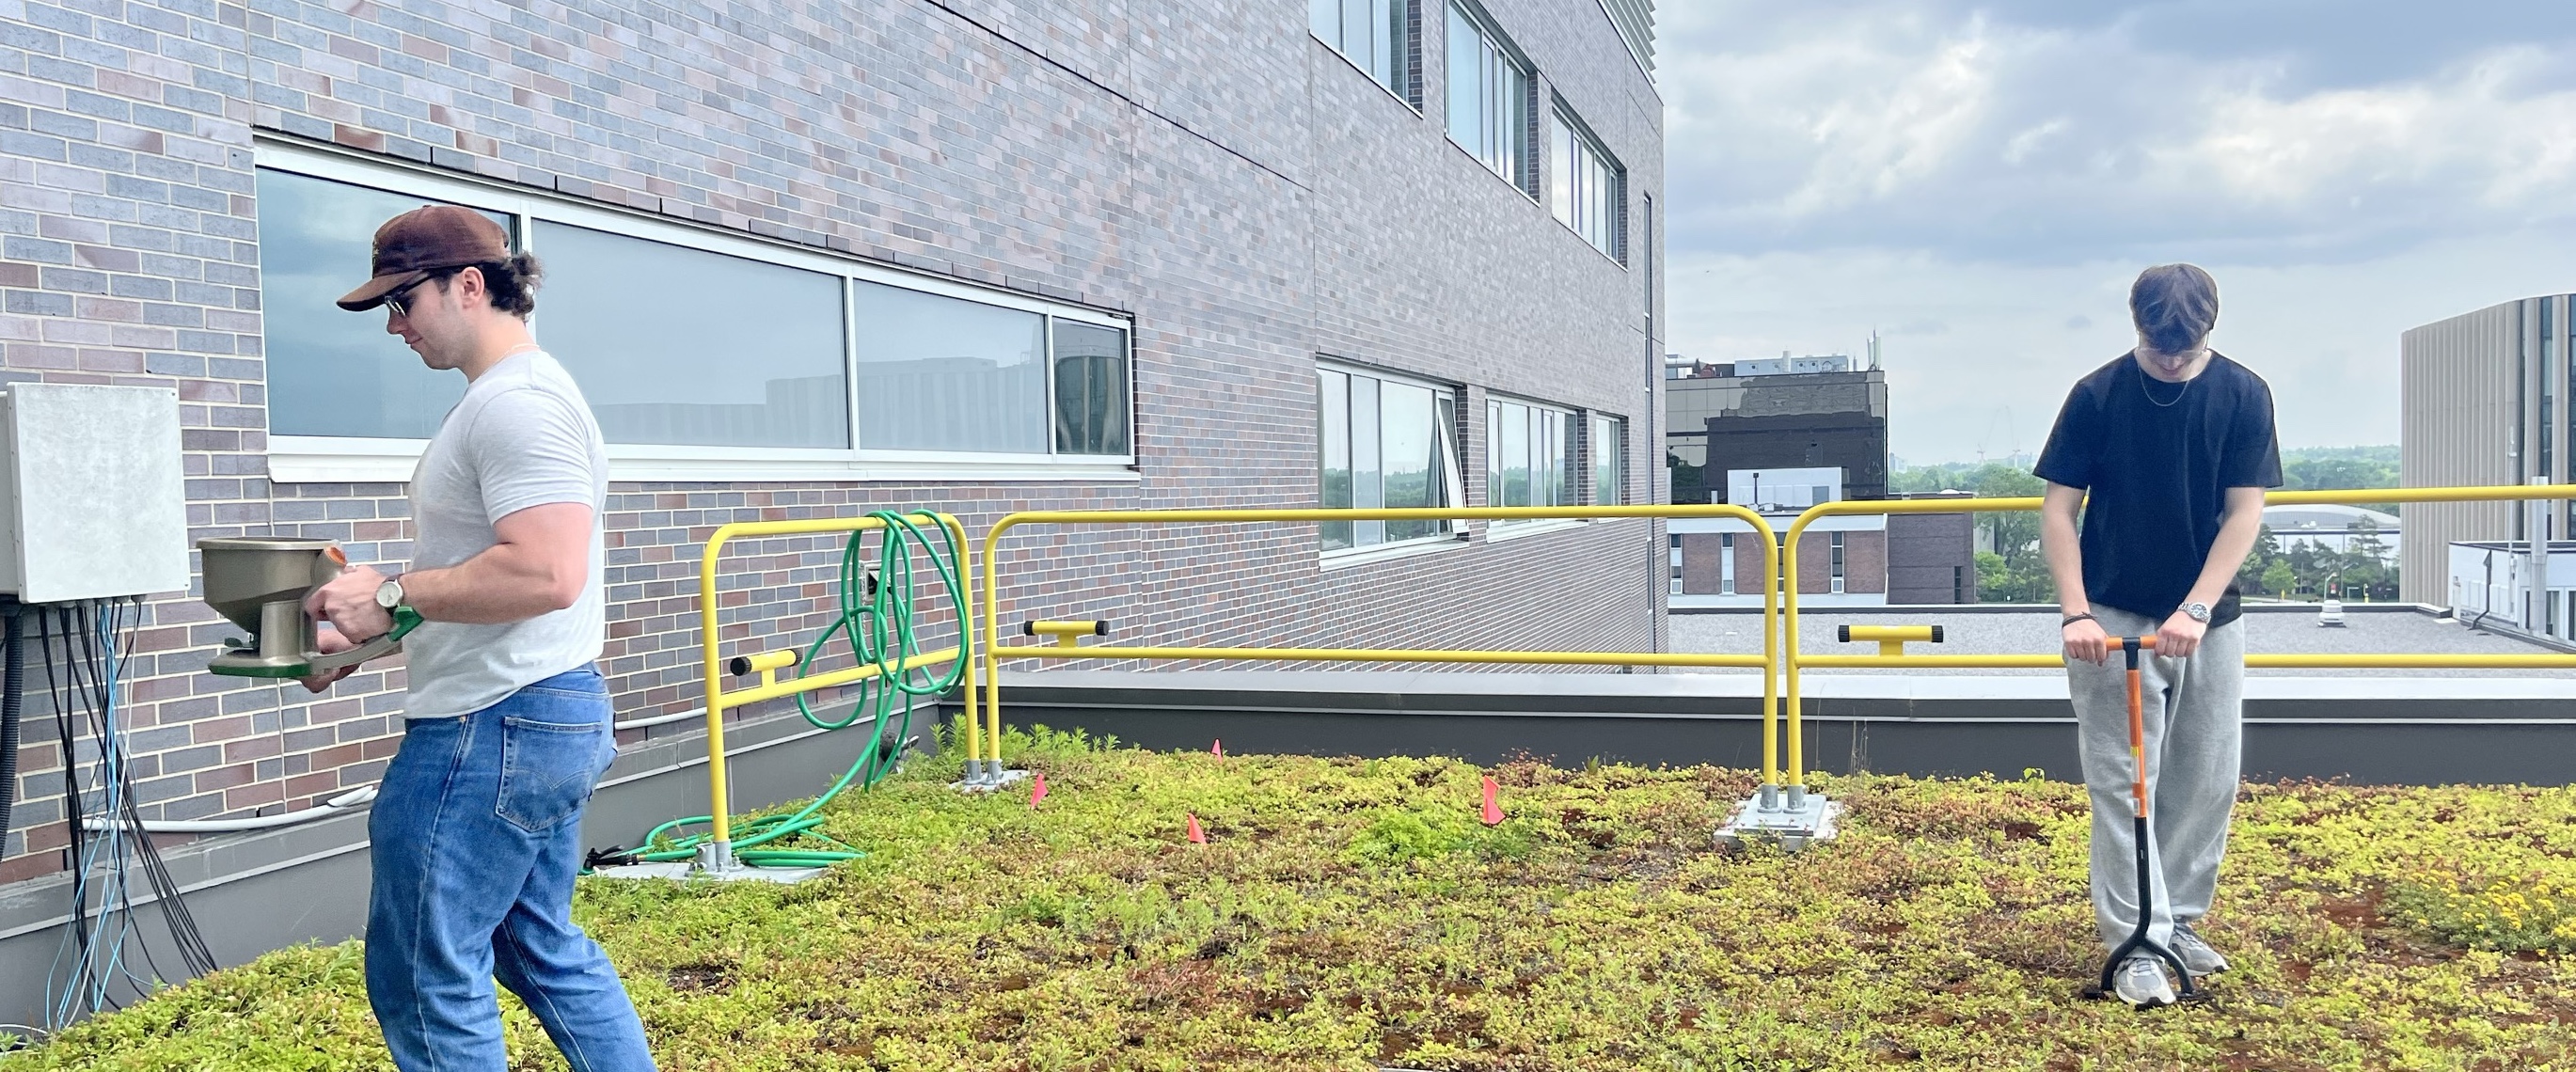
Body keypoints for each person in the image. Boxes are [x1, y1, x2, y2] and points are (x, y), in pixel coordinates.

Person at [300, 204, 655, 1069]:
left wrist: (387, 593)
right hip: (534, 715)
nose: (394, 326)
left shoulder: (518, 407)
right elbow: (493, 577)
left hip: (491, 726)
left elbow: (543, 573)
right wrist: (367, 638)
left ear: (469, 285)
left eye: (402, 301)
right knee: (537, 947)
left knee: (424, 972)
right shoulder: (509, 402)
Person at [2034, 262, 2281, 1008]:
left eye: (2185, 346)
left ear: (2209, 328)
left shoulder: (2242, 393)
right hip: (2108, 617)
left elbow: (2243, 513)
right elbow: (2057, 511)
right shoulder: (2097, 395)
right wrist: (2076, 612)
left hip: (2208, 618)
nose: (2170, 359)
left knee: (2205, 782)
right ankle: (2137, 941)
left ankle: (2174, 921)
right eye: (2157, 344)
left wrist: (2196, 610)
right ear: (2136, 324)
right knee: (2123, 785)